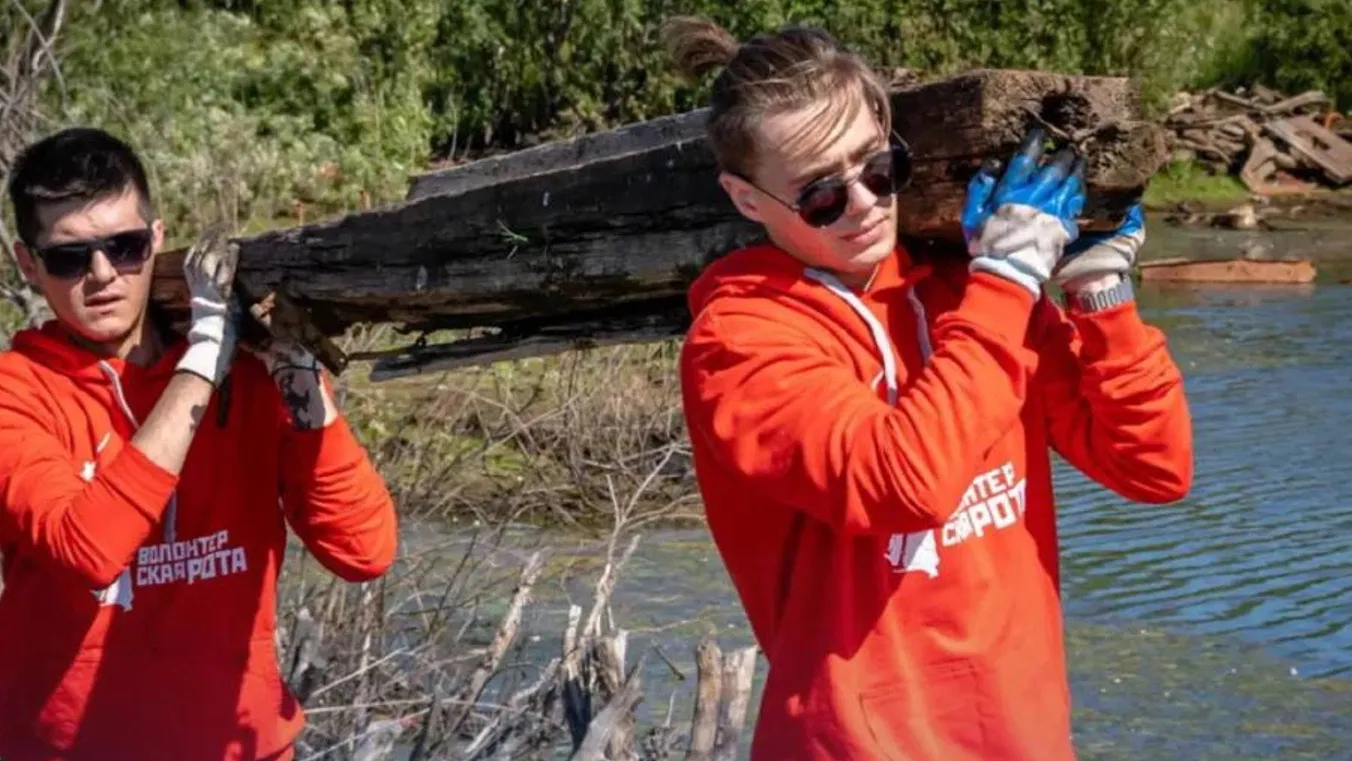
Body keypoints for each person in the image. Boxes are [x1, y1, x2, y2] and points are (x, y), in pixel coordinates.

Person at [664, 16, 1193, 761]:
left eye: (880, 168)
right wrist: (1008, 280)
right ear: (748, 200)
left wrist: (1099, 290)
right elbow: (902, 482)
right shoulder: (740, 345)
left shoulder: (964, 296)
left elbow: (1155, 467)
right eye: (821, 196)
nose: (864, 204)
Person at [0, 127, 399, 761]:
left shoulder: (246, 373)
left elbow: (365, 552)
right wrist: (205, 358)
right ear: (28, 264)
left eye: (124, 247)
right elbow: (88, 550)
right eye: (70, 258)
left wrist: (297, 372)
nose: (102, 276)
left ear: (155, 241)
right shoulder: (16, 393)